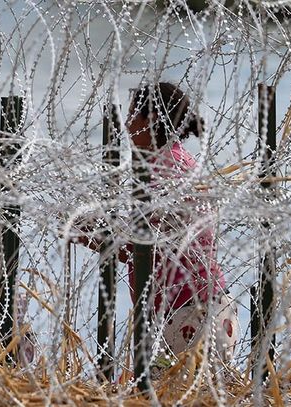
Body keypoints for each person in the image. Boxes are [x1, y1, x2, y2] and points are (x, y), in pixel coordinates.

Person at [74, 82, 238, 361]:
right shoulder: (179, 161)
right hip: (208, 307)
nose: (125, 125)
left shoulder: (163, 171)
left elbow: (140, 249)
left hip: (187, 316)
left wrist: (86, 233)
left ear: (149, 120)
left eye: (131, 116)